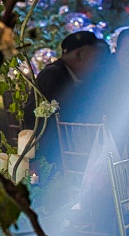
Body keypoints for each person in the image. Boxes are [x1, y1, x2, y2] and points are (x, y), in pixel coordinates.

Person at [24, 31, 110, 166]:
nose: (98, 64)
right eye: (96, 58)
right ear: (79, 54)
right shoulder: (55, 76)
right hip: (52, 157)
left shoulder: (69, 75)